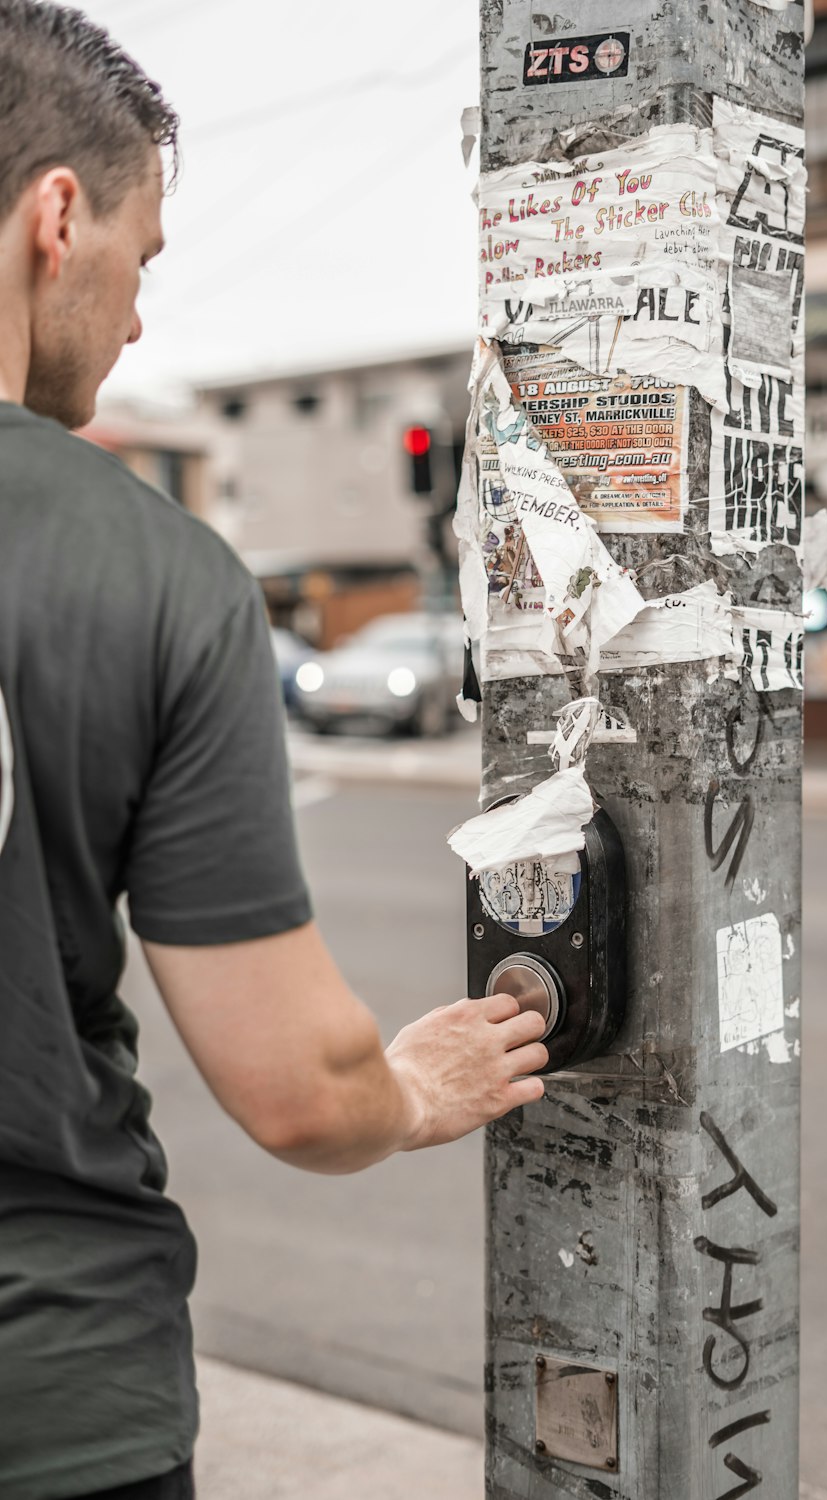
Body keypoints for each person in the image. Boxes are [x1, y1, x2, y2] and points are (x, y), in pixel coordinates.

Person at [0, 5, 548, 1497]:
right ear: (59, 219)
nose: (134, 321)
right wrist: (415, 1088)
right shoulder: (149, 570)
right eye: (142, 259)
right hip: (44, 1396)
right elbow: (300, 1089)